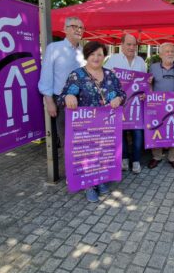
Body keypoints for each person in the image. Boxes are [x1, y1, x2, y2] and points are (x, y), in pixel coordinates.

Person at [59, 42, 126, 202]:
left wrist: (118, 98)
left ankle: (101, 180)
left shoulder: (110, 75)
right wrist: (69, 97)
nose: (96, 58)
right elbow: (63, 96)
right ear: (87, 56)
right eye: (92, 54)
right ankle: (89, 185)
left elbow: (122, 93)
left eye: (100, 54)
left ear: (104, 56)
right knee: (88, 155)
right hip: (85, 127)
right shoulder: (77, 75)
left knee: (103, 153)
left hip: (106, 125)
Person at [38, 17, 85, 152]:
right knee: (67, 142)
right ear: (65, 29)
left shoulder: (83, 51)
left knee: (81, 141)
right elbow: (46, 76)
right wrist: (49, 102)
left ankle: (81, 171)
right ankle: (69, 173)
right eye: (74, 26)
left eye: (81, 27)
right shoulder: (54, 48)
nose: (78, 29)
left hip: (82, 102)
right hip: (62, 102)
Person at [104, 34, 147, 174]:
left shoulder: (141, 61)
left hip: (136, 103)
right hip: (119, 103)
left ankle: (135, 160)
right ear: (121, 45)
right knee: (120, 131)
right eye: (128, 44)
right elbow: (104, 78)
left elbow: (144, 83)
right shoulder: (112, 60)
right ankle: (124, 158)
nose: (131, 47)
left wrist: (148, 84)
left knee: (138, 132)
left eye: (134, 45)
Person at [147, 42, 174, 170]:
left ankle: (173, 157)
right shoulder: (153, 67)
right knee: (157, 128)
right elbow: (147, 84)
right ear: (161, 54)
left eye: (172, 51)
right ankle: (156, 156)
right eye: (167, 51)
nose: (170, 54)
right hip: (157, 104)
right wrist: (149, 85)